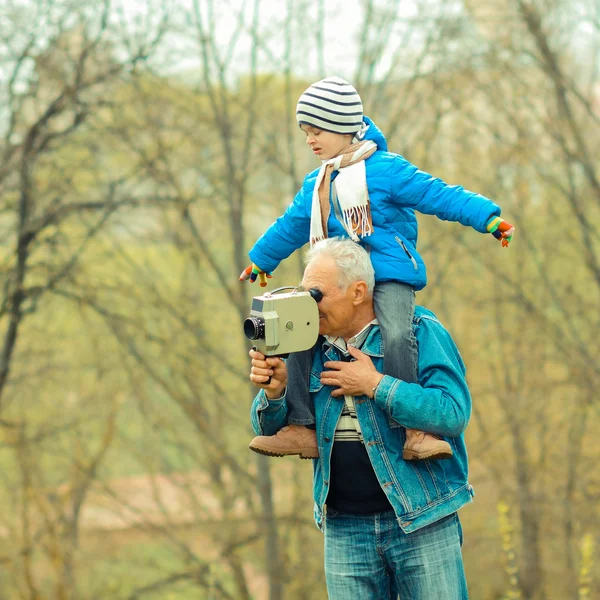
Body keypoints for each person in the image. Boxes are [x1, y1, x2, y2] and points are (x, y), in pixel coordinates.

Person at [241, 76, 514, 461]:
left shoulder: (385, 170)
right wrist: (261, 259)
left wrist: (487, 217)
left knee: (399, 333)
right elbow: (290, 225)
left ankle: (416, 432)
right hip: (338, 276)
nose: (310, 140)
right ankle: (301, 427)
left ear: (342, 127)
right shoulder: (317, 183)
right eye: (305, 132)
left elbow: (438, 195)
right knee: (296, 328)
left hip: (387, 273)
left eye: (317, 130)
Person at [249, 238, 473, 599]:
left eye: (316, 295)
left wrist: (376, 384)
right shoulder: (305, 342)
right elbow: (268, 430)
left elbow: (452, 412)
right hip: (344, 529)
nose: (307, 304)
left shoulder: (418, 331)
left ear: (357, 292)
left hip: (421, 519)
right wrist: (274, 393)